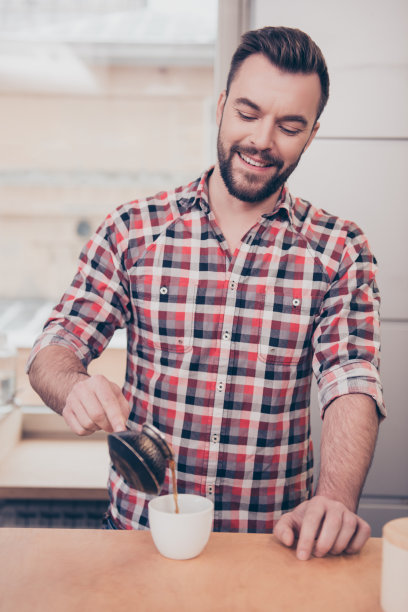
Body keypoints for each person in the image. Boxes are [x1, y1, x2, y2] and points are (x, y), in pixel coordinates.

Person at [27, 26, 385, 560]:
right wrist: (73, 386)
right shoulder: (133, 230)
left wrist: (335, 499)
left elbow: (350, 380)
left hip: (272, 550)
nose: (263, 140)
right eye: (248, 113)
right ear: (220, 106)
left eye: (289, 125)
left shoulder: (339, 248)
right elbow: (54, 347)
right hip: (138, 542)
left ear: (312, 133)